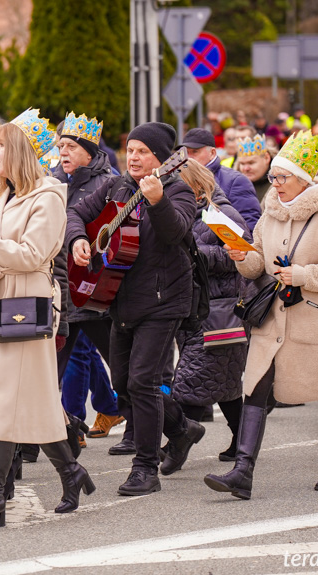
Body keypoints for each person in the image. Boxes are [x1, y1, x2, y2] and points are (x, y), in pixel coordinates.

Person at [0, 108, 95, 529]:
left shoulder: (48, 196)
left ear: (20, 152)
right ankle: (71, 472)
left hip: (27, 302)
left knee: (2, 400)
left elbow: (34, 255)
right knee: (33, 399)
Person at [204, 131, 318, 500]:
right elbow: (258, 263)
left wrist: (303, 275)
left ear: (304, 178)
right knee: (256, 387)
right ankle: (243, 470)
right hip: (272, 318)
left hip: (314, 319)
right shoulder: (270, 213)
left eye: (282, 177)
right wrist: (242, 257)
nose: (275, 184)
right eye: (273, 177)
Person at [67, 122, 201, 496]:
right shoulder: (117, 186)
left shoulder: (178, 189)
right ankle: (180, 429)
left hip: (163, 300)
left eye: (143, 151)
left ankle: (145, 468)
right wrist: (79, 238)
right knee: (123, 382)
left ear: (163, 158)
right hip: (119, 299)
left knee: (143, 381)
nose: (134, 156)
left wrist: (157, 201)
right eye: (131, 148)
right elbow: (75, 213)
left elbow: (177, 233)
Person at [170, 159, 249, 462]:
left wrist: (194, 254)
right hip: (191, 310)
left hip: (218, 310)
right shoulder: (181, 215)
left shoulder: (220, 214)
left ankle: (176, 445)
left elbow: (241, 255)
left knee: (192, 380)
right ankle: (243, 437)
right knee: (223, 383)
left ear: (198, 188)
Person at [52, 112, 123, 439]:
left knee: (122, 371)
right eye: (60, 145)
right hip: (61, 291)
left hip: (95, 293)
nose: (62, 152)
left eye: (69, 146)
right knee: (48, 374)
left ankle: (166, 428)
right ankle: (45, 441)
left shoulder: (109, 181)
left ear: (89, 150)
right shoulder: (51, 180)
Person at [182, 127, 261, 232]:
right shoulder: (179, 179)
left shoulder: (236, 181)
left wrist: (227, 247)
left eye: (195, 152)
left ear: (212, 153)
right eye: (186, 152)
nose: (189, 157)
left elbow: (250, 226)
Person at [235, 134, 273, 203]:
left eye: (251, 163)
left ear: (266, 158)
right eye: (242, 164)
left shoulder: (279, 185)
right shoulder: (234, 186)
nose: (246, 168)